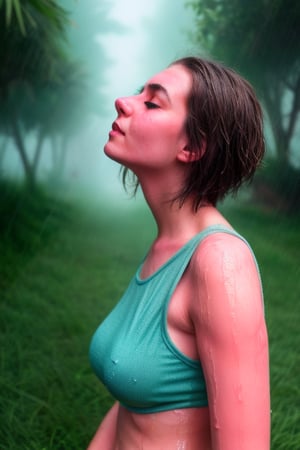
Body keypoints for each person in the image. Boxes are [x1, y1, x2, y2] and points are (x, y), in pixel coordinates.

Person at [88, 56, 270, 450]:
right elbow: (134, 401)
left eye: (152, 103)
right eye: (139, 92)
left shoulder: (220, 263)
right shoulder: (166, 247)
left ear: (193, 146)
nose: (123, 101)